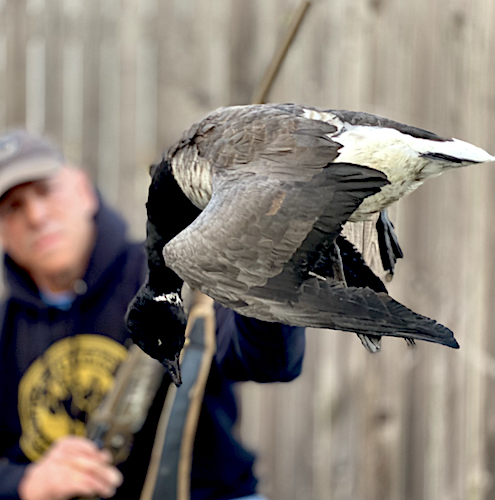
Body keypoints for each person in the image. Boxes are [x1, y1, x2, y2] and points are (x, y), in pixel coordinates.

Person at [0, 129, 306, 500]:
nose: (35, 215)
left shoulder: (175, 277)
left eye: (45, 191)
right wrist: (25, 482)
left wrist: (269, 276)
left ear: (82, 189)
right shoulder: (5, 329)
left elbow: (266, 362)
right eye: (13, 206)